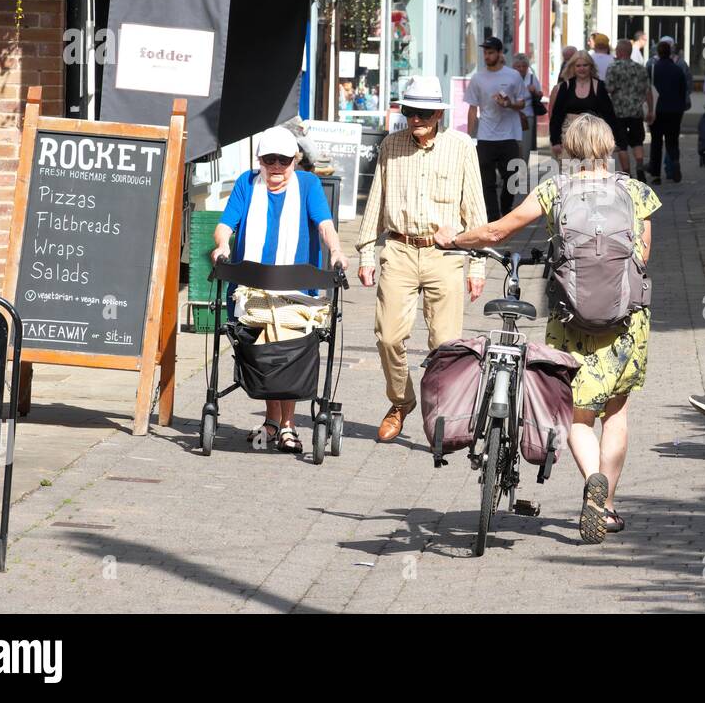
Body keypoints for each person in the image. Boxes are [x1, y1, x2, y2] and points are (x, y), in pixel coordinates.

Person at [434, 114, 660, 543]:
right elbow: (642, 257)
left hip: (570, 315)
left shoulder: (554, 189)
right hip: (627, 319)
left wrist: (455, 240)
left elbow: (500, 230)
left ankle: (591, 477)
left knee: (577, 413)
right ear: (610, 147)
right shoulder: (636, 193)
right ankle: (606, 505)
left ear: (567, 148)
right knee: (617, 412)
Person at [355, 76, 488, 442]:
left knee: (446, 345)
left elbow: (475, 209)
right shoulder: (391, 145)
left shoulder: (461, 147)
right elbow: (376, 202)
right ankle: (401, 401)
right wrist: (366, 251)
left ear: (439, 113)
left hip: (444, 254)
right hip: (398, 249)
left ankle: (441, 412)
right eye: (410, 111)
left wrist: (477, 265)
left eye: (424, 112)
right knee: (388, 337)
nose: (416, 119)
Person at [212, 126, 348, 454]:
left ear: (295, 160)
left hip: (297, 290)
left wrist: (336, 251)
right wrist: (221, 246)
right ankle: (276, 422)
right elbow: (225, 224)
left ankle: (284, 424)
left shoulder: (309, 184)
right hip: (254, 289)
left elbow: (324, 224)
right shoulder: (247, 183)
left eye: (283, 160)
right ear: (258, 159)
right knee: (268, 345)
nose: (275, 167)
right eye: (268, 159)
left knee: (285, 342)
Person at [466, 36, 528, 221]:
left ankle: (507, 207)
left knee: (511, 176)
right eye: (485, 52)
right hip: (485, 135)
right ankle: (493, 217)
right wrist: (469, 137)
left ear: (500, 53)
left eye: (491, 52)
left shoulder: (513, 76)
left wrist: (509, 104)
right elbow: (472, 108)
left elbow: (522, 103)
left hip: (509, 135)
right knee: (487, 180)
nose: (487, 56)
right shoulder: (477, 78)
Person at [548, 52, 630, 173]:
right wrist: (555, 141)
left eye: (585, 65)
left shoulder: (599, 86)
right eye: (578, 65)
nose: (582, 69)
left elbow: (609, 115)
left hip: (593, 134)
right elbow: (557, 115)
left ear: (591, 67)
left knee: (593, 170)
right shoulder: (565, 87)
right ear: (573, 67)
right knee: (570, 171)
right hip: (569, 133)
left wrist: (616, 139)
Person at [604, 38, 654, 182]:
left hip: (618, 112)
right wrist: (650, 110)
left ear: (619, 52)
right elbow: (648, 91)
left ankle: (627, 173)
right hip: (636, 112)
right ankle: (639, 166)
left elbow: (609, 88)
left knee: (621, 145)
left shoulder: (613, 68)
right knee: (637, 142)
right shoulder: (640, 68)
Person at [647, 39, 689, 184]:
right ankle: (675, 160)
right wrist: (681, 107)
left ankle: (656, 175)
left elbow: (647, 90)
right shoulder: (678, 70)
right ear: (670, 52)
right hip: (674, 111)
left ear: (658, 52)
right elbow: (683, 91)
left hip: (657, 110)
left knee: (656, 142)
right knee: (672, 140)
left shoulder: (652, 69)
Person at [512, 52, 544, 175]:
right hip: (512, 116)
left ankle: (523, 170)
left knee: (525, 145)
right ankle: (511, 170)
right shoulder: (509, 78)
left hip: (527, 116)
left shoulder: (531, 77)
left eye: (523, 66)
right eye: (518, 66)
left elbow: (540, 94)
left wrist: (535, 92)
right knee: (513, 144)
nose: (521, 69)